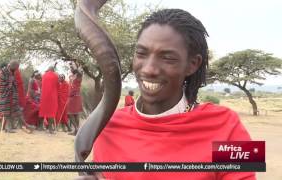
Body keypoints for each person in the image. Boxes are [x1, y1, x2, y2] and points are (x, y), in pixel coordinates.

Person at [90, 9, 255, 180]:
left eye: (167, 58)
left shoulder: (228, 124)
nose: (148, 69)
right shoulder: (108, 127)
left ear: (193, 64)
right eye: (141, 53)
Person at [0, 60, 30, 133]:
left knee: (17, 111)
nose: (15, 70)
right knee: (7, 113)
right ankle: (7, 129)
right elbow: (1, 85)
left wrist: (12, 84)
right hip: (4, 96)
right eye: (15, 68)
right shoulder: (2, 73)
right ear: (11, 66)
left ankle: (26, 125)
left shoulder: (11, 72)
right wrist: (10, 83)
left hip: (11, 95)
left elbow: (14, 83)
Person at [39, 66, 59, 134]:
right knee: (51, 112)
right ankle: (50, 129)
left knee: (43, 111)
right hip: (52, 97)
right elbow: (58, 86)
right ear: (53, 70)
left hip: (44, 96)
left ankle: (40, 127)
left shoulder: (44, 75)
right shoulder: (55, 76)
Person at [67, 68, 83, 135]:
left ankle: (76, 129)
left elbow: (80, 73)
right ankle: (76, 130)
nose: (71, 70)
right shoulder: (73, 77)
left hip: (75, 97)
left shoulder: (78, 77)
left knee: (71, 113)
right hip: (72, 97)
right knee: (75, 113)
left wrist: (75, 65)